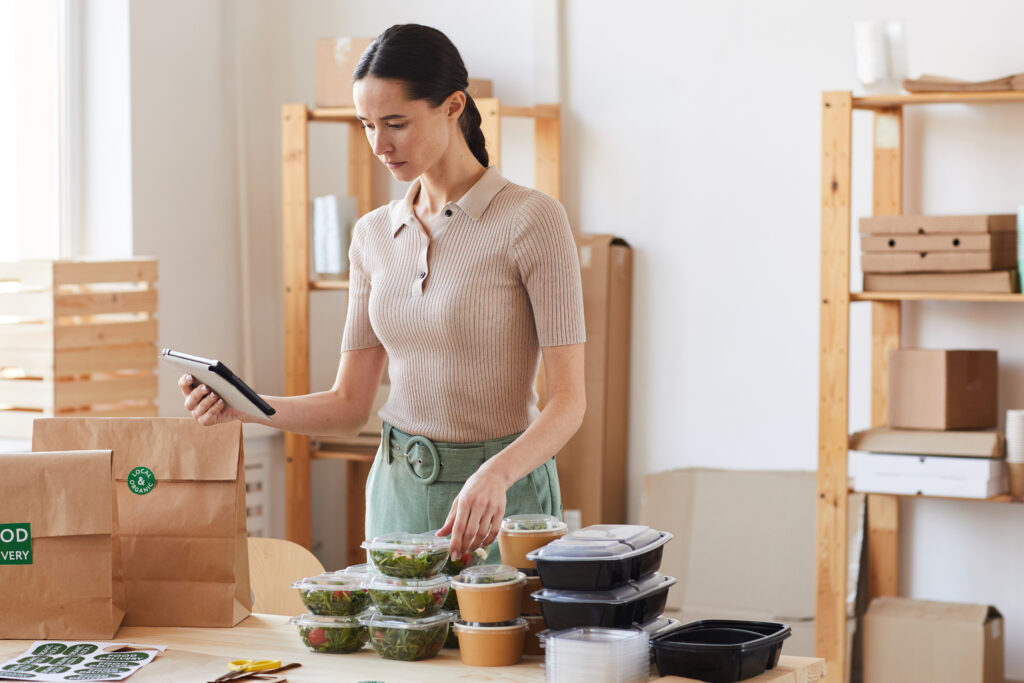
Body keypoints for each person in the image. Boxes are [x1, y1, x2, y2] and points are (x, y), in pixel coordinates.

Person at [179, 23, 585, 562]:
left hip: (499, 496)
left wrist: (498, 474)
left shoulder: (532, 220)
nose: (379, 144)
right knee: (390, 646)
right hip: (396, 491)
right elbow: (350, 405)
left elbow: (568, 400)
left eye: (396, 123)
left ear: (452, 106)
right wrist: (246, 407)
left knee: (496, 647)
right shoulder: (372, 234)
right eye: (367, 125)